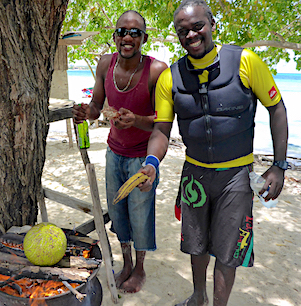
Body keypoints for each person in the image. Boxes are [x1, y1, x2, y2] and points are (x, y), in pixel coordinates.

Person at [138, 0, 288, 305]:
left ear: (212, 24)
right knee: (195, 245)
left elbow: (277, 109)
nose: (191, 34)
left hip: (236, 177)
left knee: (228, 249)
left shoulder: (246, 61)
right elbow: (161, 130)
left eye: (197, 26)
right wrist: (152, 162)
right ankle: (198, 296)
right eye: (183, 31)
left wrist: (279, 165)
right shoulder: (171, 77)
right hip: (195, 174)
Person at [73, 10, 167, 293]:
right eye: (122, 32)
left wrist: (136, 120)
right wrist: (85, 112)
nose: (128, 37)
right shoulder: (105, 64)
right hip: (114, 152)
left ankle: (139, 268)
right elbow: (97, 107)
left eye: (135, 33)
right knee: (117, 210)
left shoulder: (156, 70)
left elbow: (164, 121)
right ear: (115, 36)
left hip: (143, 156)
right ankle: (126, 262)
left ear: (144, 39)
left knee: (140, 213)